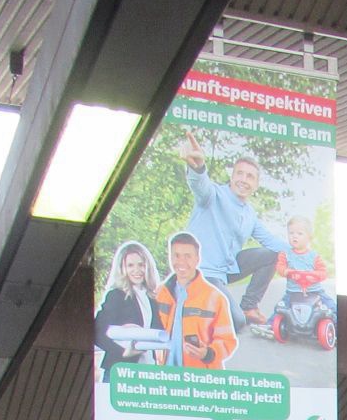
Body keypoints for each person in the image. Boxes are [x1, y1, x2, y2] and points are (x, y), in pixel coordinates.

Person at [179, 129, 291, 329]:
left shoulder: (249, 214)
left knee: (272, 254)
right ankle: (190, 306)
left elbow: (271, 241)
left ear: (256, 184)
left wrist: (301, 254)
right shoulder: (213, 196)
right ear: (232, 177)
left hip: (226, 270)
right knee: (237, 322)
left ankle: (249, 307)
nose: (244, 180)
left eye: (250, 177)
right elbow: (200, 186)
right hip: (203, 272)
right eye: (240, 173)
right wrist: (198, 168)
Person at [153, 232, 238, 370]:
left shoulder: (215, 298)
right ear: (170, 257)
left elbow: (227, 341)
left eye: (187, 256)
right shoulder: (159, 293)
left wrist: (207, 353)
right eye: (176, 255)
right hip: (164, 374)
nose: (181, 261)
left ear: (197, 259)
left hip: (201, 377)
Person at [94, 240, 162, 372]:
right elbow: (97, 332)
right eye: (130, 265)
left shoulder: (152, 298)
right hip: (121, 369)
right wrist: (123, 352)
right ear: (122, 268)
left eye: (141, 265)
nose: (137, 270)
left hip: (148, 368)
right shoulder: (116, 295)